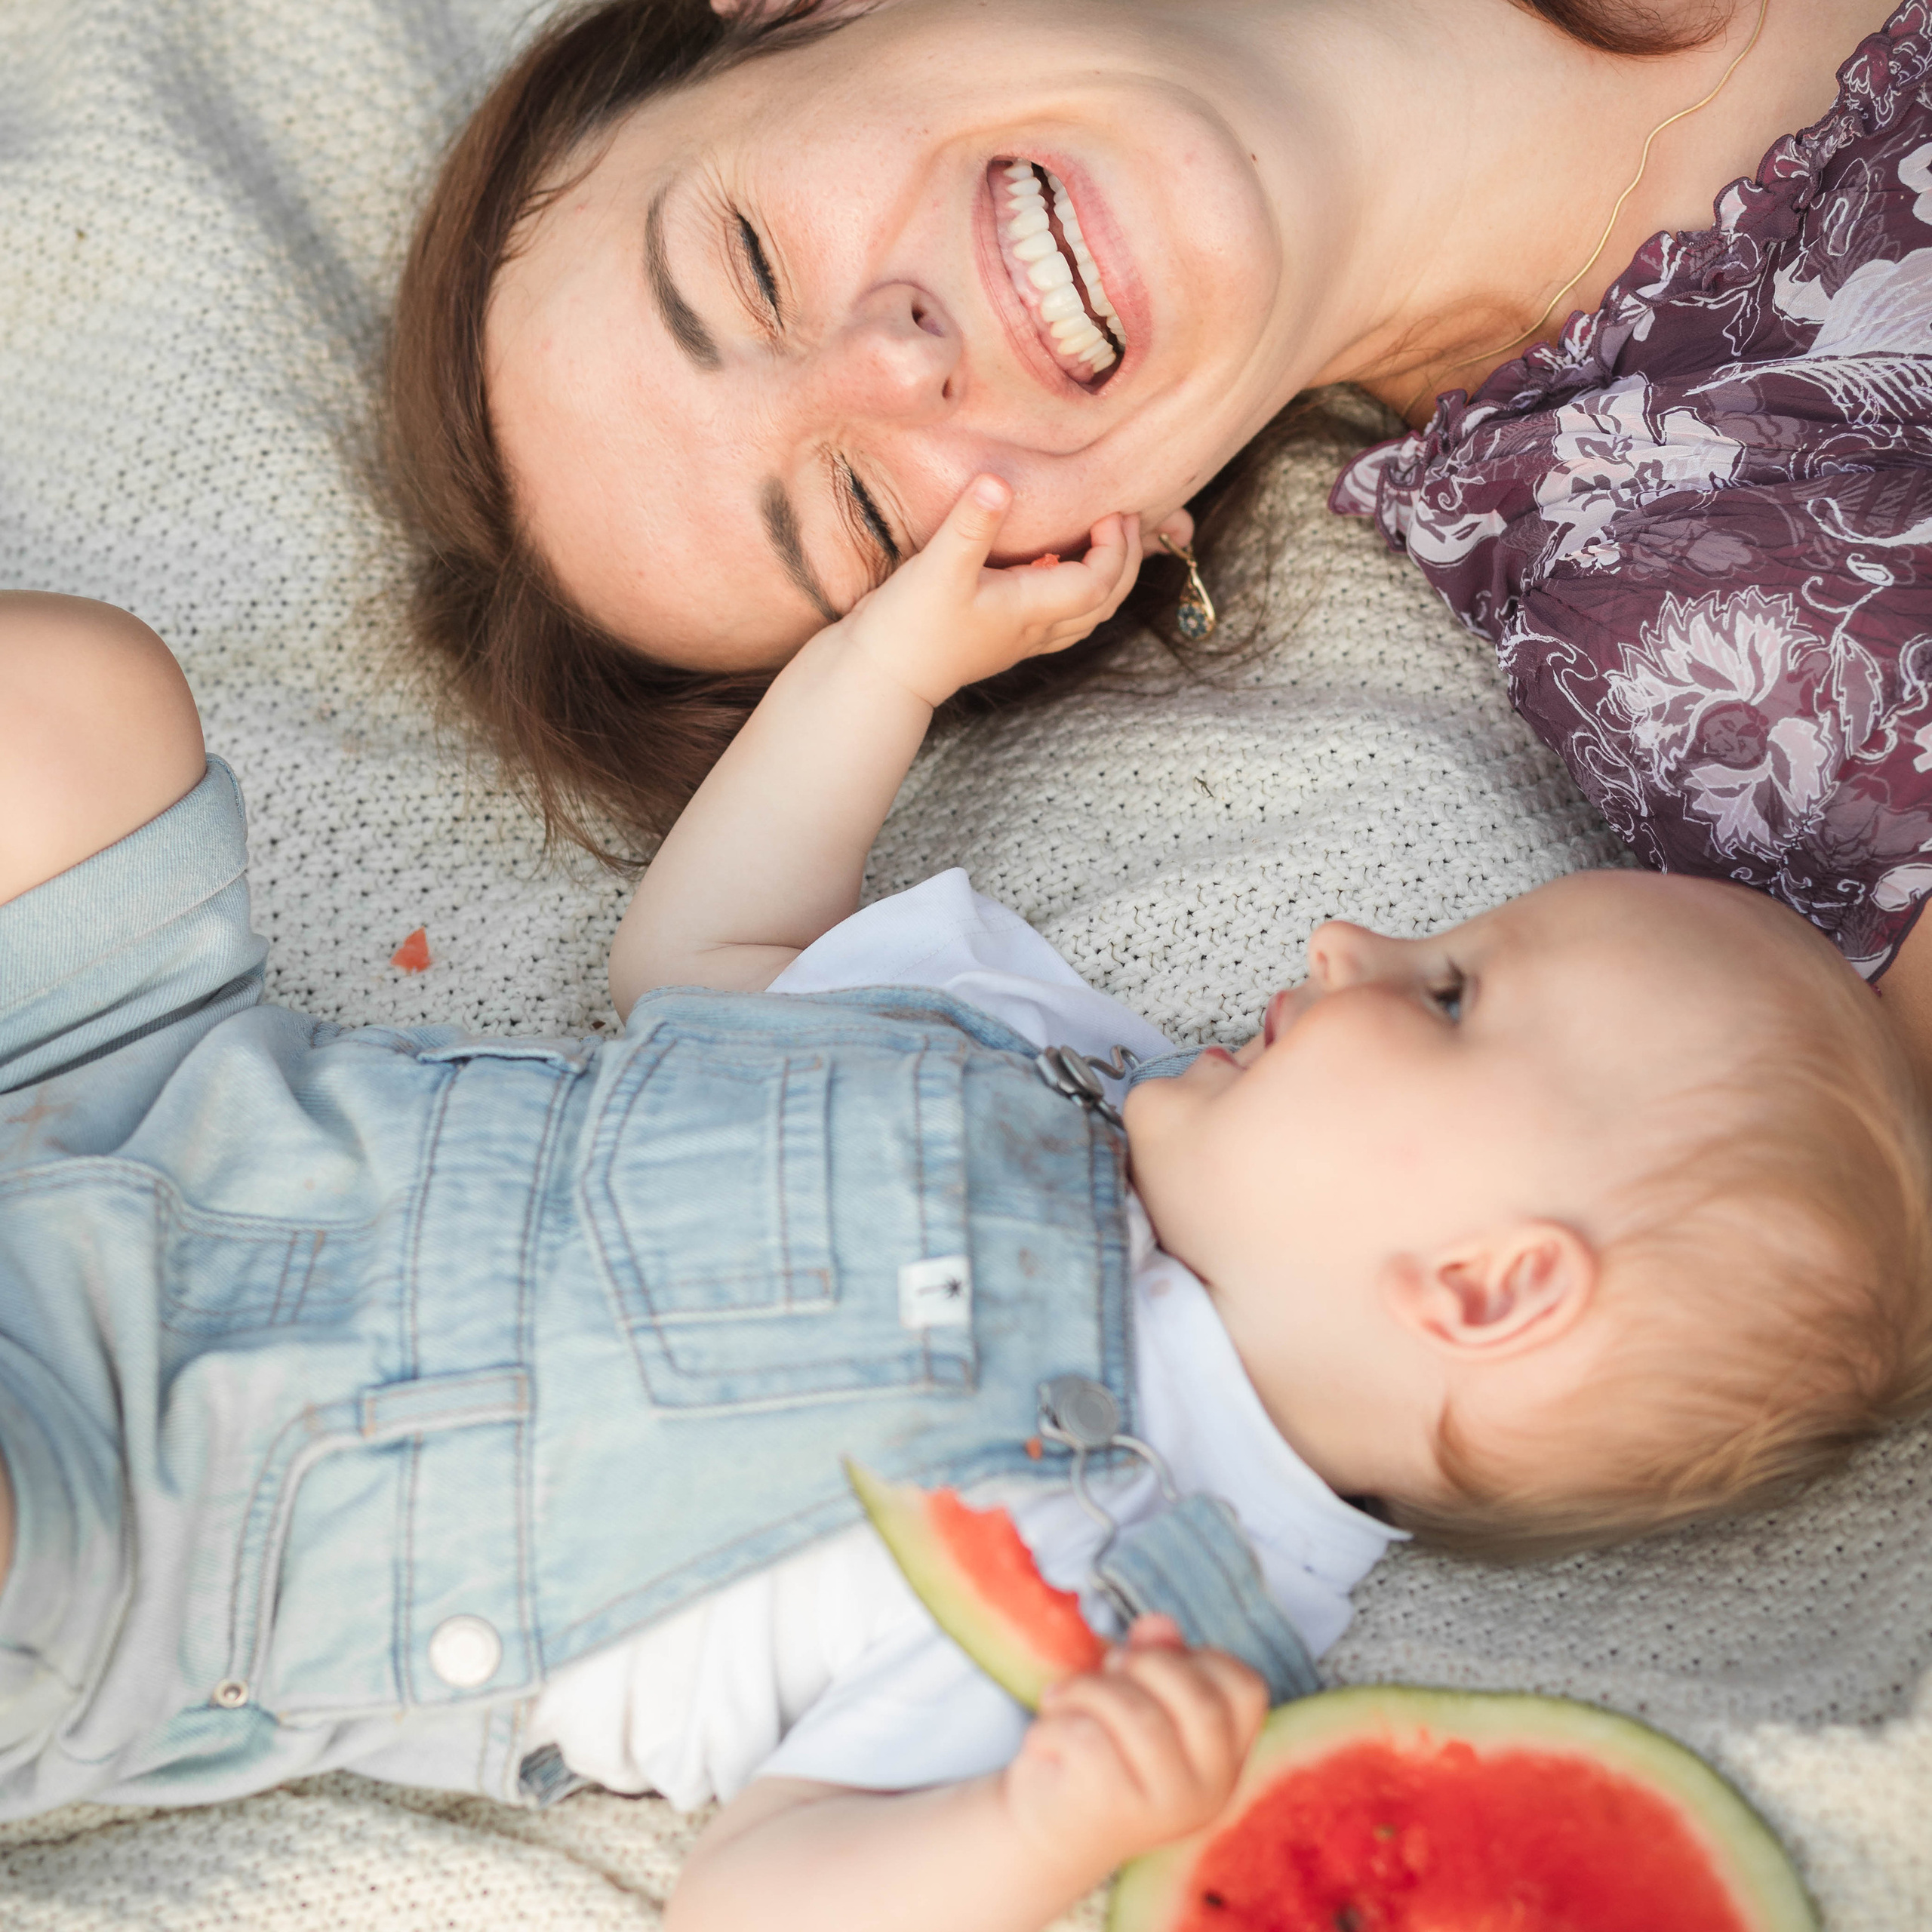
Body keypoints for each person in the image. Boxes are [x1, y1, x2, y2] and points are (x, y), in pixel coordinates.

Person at [2, 477, 1928, 1928]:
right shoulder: (1052, 1045)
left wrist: (1032, 1831)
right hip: (164, 1094)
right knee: (79, 701)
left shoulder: (1134, 1630)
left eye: (1443, 994)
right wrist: (883, 671)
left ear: (1485, 1286)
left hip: (129, 1515)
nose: (1346, 933)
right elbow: (703, 953)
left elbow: (757, 1894)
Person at [385, 0, 1932, 1079]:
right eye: (860, 510)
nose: (892, 359)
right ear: (1064, 570)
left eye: (748, 264)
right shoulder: (1734, 634)